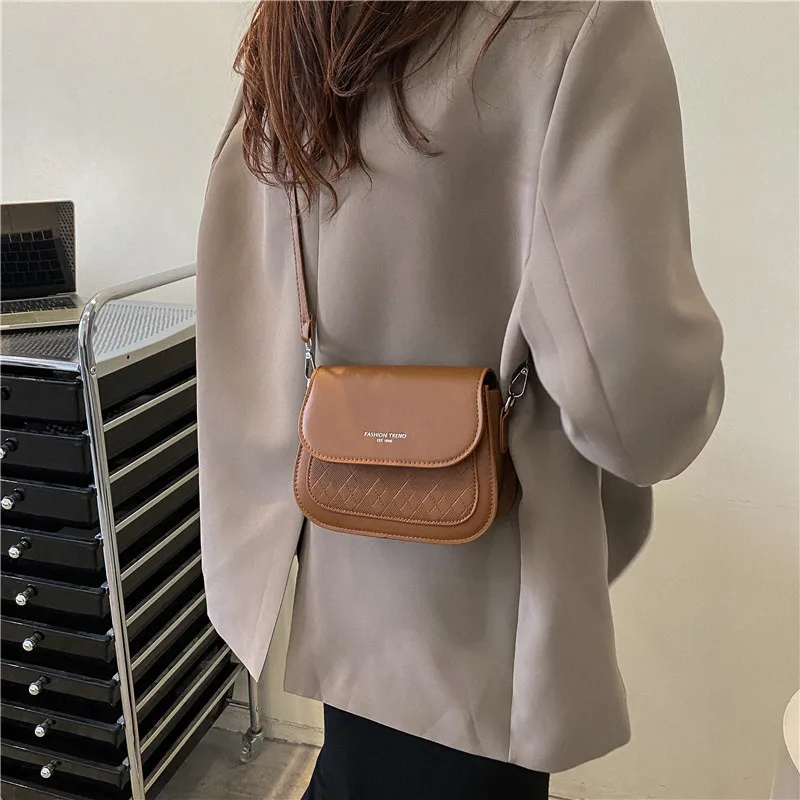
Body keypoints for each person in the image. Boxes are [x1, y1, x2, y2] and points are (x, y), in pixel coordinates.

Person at [196, 2, 724, 798]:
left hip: (336, 553)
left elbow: (244, 302)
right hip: (484, 611)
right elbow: (643, 411)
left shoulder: (295, 27)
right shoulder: (575, 24)